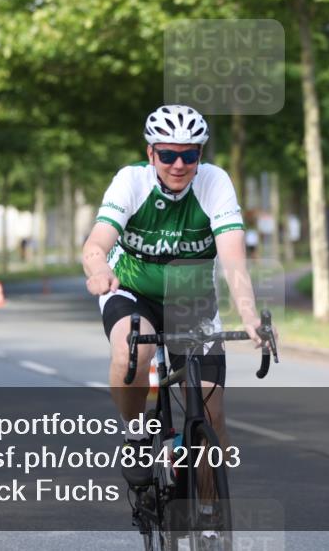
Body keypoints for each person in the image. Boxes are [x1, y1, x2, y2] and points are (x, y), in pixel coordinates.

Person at [82, 104, 271, 487]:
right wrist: (99, 270)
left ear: (201, 154)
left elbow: (234, 260)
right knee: (133, 351)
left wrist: (250, 316)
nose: (178, 164)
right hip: (132, 289)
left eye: (189, 155)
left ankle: (211, 525)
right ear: (151, 153)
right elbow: (96, 243)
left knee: (211, 415)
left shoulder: (215, 183)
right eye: (167, 155)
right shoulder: (131, 181)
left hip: (191, 298)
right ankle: (136, 432)